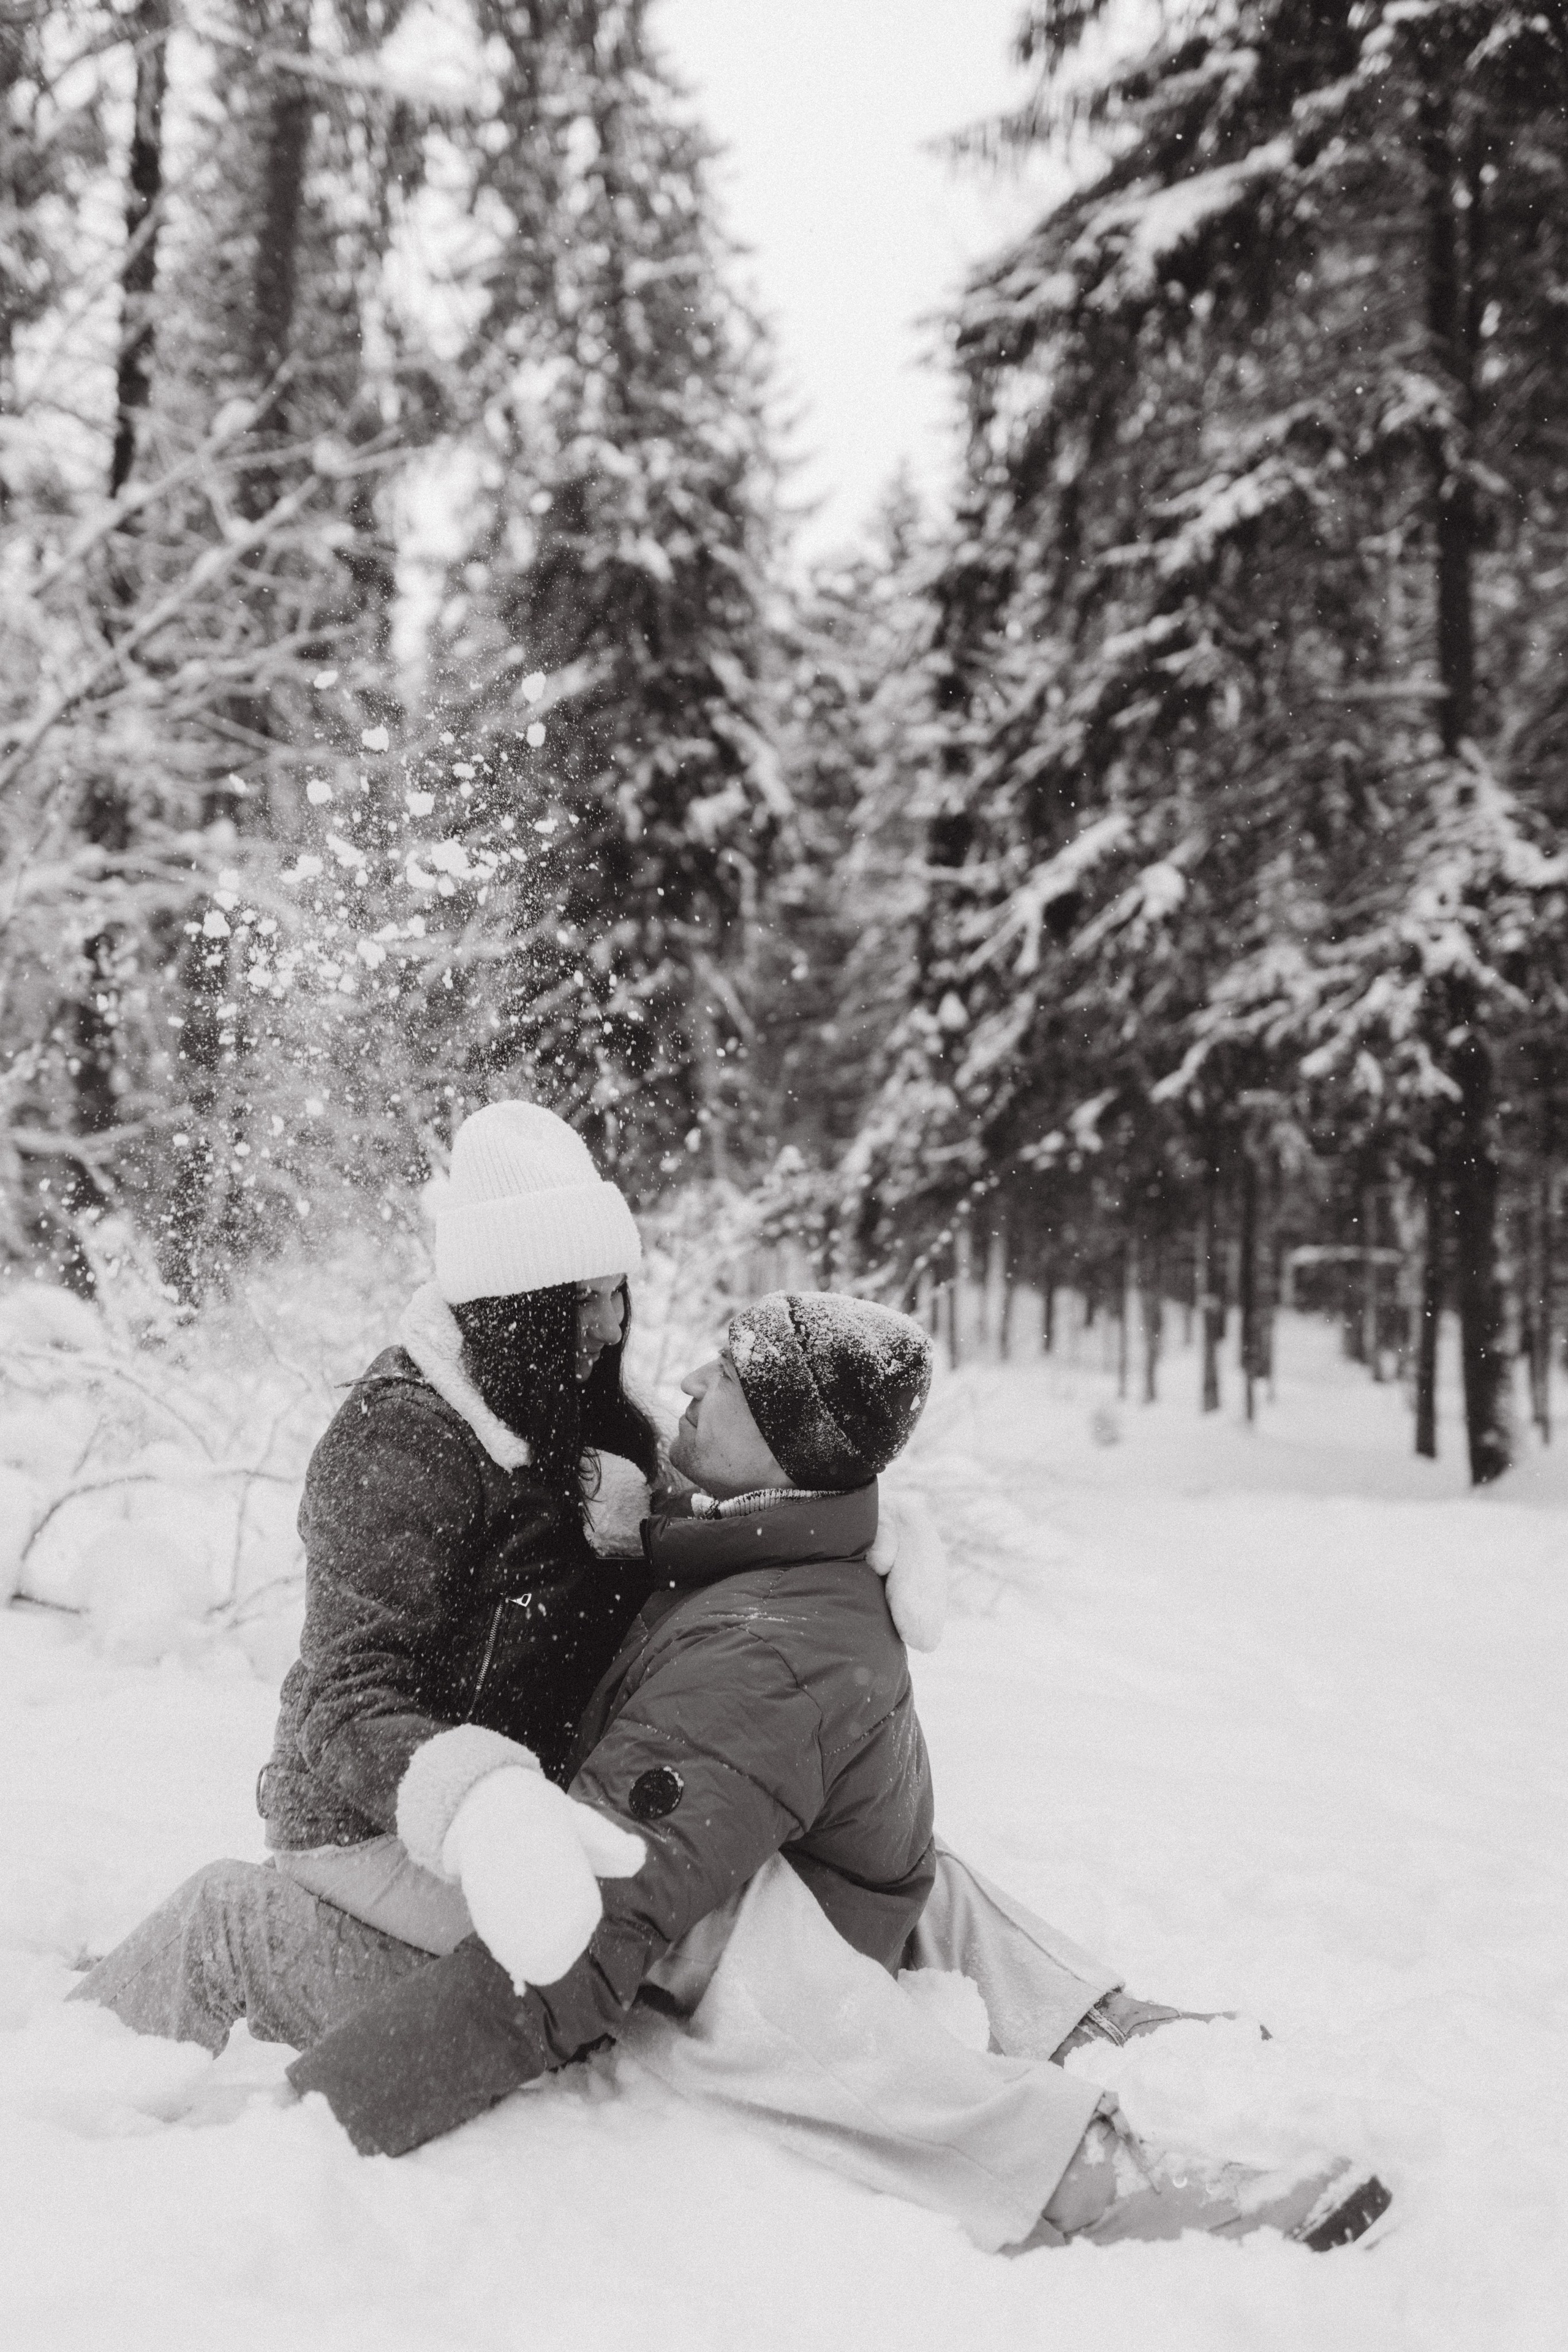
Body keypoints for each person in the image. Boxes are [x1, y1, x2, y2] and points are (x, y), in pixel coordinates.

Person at [70, 1102, 1390, 2250]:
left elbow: (702, 1555)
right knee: (743, 1929)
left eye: (618, 1292)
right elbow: (359, 1701)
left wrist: (830, 1524)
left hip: (579, 1794)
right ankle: (1066, 2157)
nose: (622, 1330)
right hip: (417, 1814)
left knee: (805, 1854)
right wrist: (477, 1822)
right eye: (583, 1297)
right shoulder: (403, 1449)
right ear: (517, 1305)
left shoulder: (603, 1434)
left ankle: (1099, 2060)